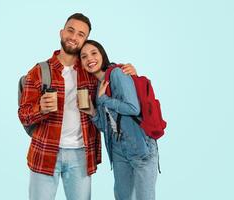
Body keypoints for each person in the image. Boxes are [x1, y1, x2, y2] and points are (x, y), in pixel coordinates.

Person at [18, 13, 136, 200]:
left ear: (85, 40)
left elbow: (111, 72)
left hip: (81, 155)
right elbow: (24, 115)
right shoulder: (39, 71)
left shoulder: (90, 70)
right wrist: (40, 108)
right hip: (45, 152)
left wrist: (129, 72)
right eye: (70, 30)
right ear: (61, 32)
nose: (74, 37)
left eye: (81, 34)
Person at [80, 40, 159, 200]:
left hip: (139, 145)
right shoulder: (98, 87)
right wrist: (92, 111)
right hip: (117, 148)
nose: (89, 59)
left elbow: (133, 108)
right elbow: (105, 126)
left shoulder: (117, 73)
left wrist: (105, 100)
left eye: (93, 53)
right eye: (84, 56)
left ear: (102, 54)